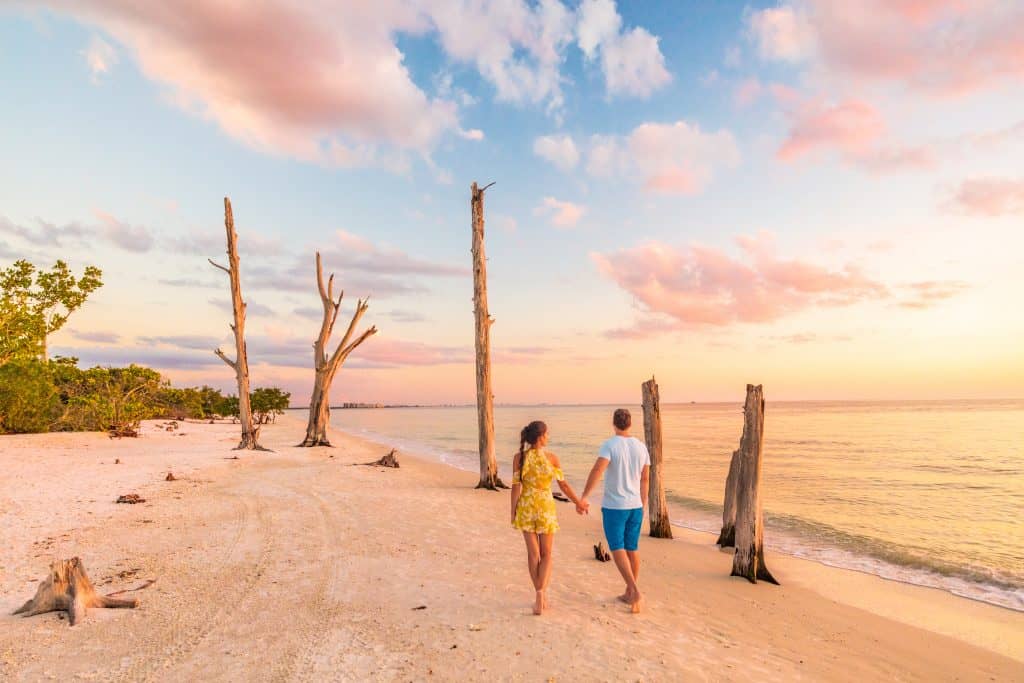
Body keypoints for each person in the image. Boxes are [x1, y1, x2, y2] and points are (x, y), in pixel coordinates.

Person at [510, 420, 587, 615]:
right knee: (547, 554)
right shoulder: (552, 458)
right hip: (545, 507)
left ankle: (538, 594)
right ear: (541, 436)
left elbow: (516, 487)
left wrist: (513, 511)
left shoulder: (519, 457)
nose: (549, 437)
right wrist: (578, 502)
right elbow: (564, 486)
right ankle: (541, 594)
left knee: (533, 555)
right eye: (547, 434)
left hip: (526, 506)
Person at [579, 408, 650, 613]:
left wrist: (584, 496)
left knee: (617, 547)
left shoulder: (609, 445)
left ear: (614, 424)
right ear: (630, 424)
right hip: (635, 505)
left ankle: (635, 591)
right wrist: (643, 503)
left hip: (614, 506)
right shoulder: (641, 447)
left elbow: (598, 470)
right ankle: (629, 592)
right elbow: (645, 478)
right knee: (632, 548)